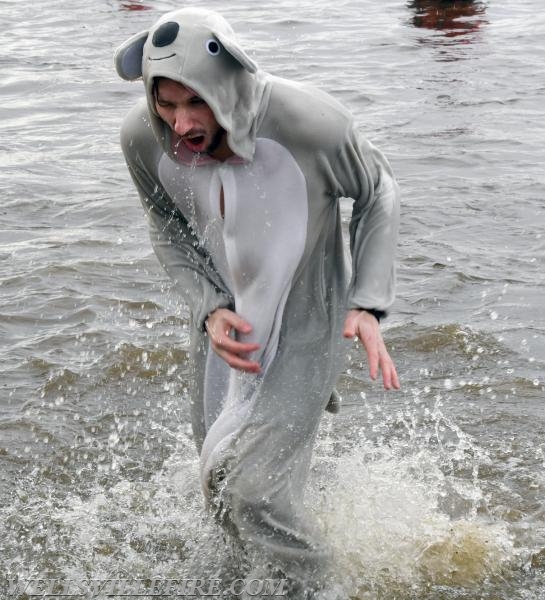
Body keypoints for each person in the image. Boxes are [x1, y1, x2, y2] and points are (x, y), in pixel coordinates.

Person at [115, 7, 400, 595]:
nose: (182, 123)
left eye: (195, 102)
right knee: (217, 480)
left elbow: (377, 190)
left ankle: (319, 588)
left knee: (255, 491)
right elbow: (165, 225)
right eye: (165, 104)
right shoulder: (143, 140)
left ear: (227, 81)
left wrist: (367, 305)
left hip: (305, 320)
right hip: (227, 327)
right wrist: (208, 307)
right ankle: (254, 578)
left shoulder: (308, 123)